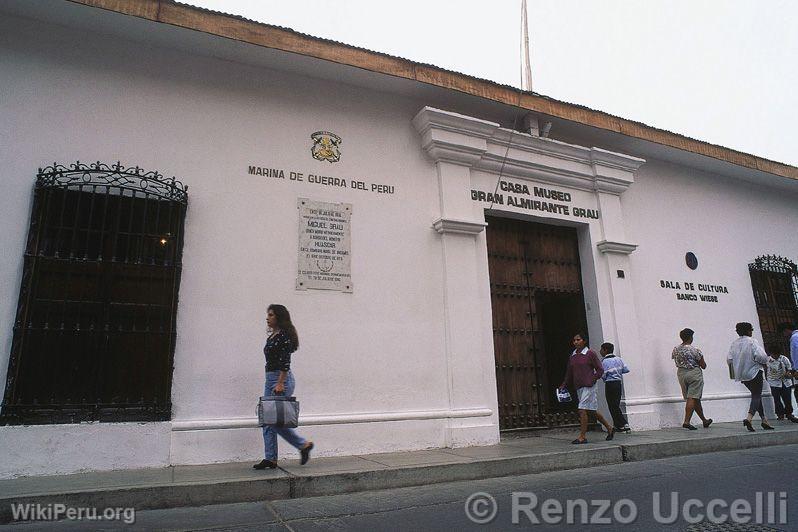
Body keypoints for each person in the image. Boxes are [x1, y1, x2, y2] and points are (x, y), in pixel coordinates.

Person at [254, 304, 314, 470]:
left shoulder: (284, 336)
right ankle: (270, 458)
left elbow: (285, 361)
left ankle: (303, 445)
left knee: (274, 421)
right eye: (268, 314)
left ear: (279, 317)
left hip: (281, 380)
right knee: (267, 420)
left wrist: (280, 382)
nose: (268, 317)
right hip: (271, 379)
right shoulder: (273, 335)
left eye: (271, 315)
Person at [561, 333, 615, 444]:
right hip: (579, 386)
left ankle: (582, 436)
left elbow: (600, 369)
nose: (575, 342)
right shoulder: (573, 355)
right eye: (574, 340)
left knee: (581, 410)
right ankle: (609, 428)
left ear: (584, 341)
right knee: (591, 411)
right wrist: (564, 384)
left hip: (589, 386)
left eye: (578, 340)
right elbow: (569, 372)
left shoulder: (590, 353)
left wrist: (592, 379)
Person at [727, 322, 773, 432]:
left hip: (742, 374)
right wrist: (765, 361)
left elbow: (729, 360)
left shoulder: (734, 344)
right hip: (754, 371)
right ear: (748, 331)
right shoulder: (752, 342)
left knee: (755, 397)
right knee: (757, 395)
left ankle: (764, 420)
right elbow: (761, 356)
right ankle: (749, 418)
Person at [671, 328, 712, 430]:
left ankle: (704, 420)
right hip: (694, 373)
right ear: (690, 337)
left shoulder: (676, 349)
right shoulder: (695, 350)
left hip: (681, 373)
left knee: (694, 398)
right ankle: (687, 421)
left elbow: (674, 359)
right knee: (692, 398)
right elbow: (703, 365)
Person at [600, 342, 630, 432]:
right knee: (616, 404)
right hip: (618, 383)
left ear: (605, 350)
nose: (600, 351)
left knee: (612, 405)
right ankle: (618, 424)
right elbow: (626, 370)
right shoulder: (619, 359)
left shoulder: (604, 361)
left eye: (601, 349)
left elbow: (603, 374)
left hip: (609, 384)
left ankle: (623, 423)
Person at [765, 346, 797, 422]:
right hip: (774, 382)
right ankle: (780, 414)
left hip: (785, 382)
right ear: (771, 353)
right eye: (775, 355)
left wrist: (788, 374)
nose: (776, 356)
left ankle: (789, 413)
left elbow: (790, 369)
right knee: (776, 399)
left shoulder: (784, 359)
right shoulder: (767, 360)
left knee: (787, 399)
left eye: (778, 355)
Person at [777, 322, 798, 406]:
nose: (784, 335)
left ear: (786, 330)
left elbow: (796, 354)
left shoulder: (794, 338)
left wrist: (796, 369)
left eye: (783, 333)